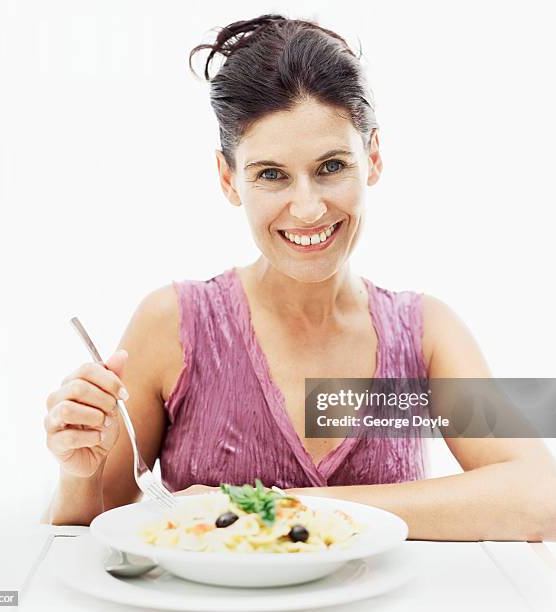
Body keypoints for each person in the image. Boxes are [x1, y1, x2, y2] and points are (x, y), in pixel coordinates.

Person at [42, 14, 556, 540]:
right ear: (228, 178)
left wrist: (266, 507)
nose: (308, 209)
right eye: (271, 174)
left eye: (331, 166)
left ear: (373, 157)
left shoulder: (425, 333)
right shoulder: (173, 324)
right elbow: (88, 522)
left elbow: (540, 496)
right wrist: (77, 471)